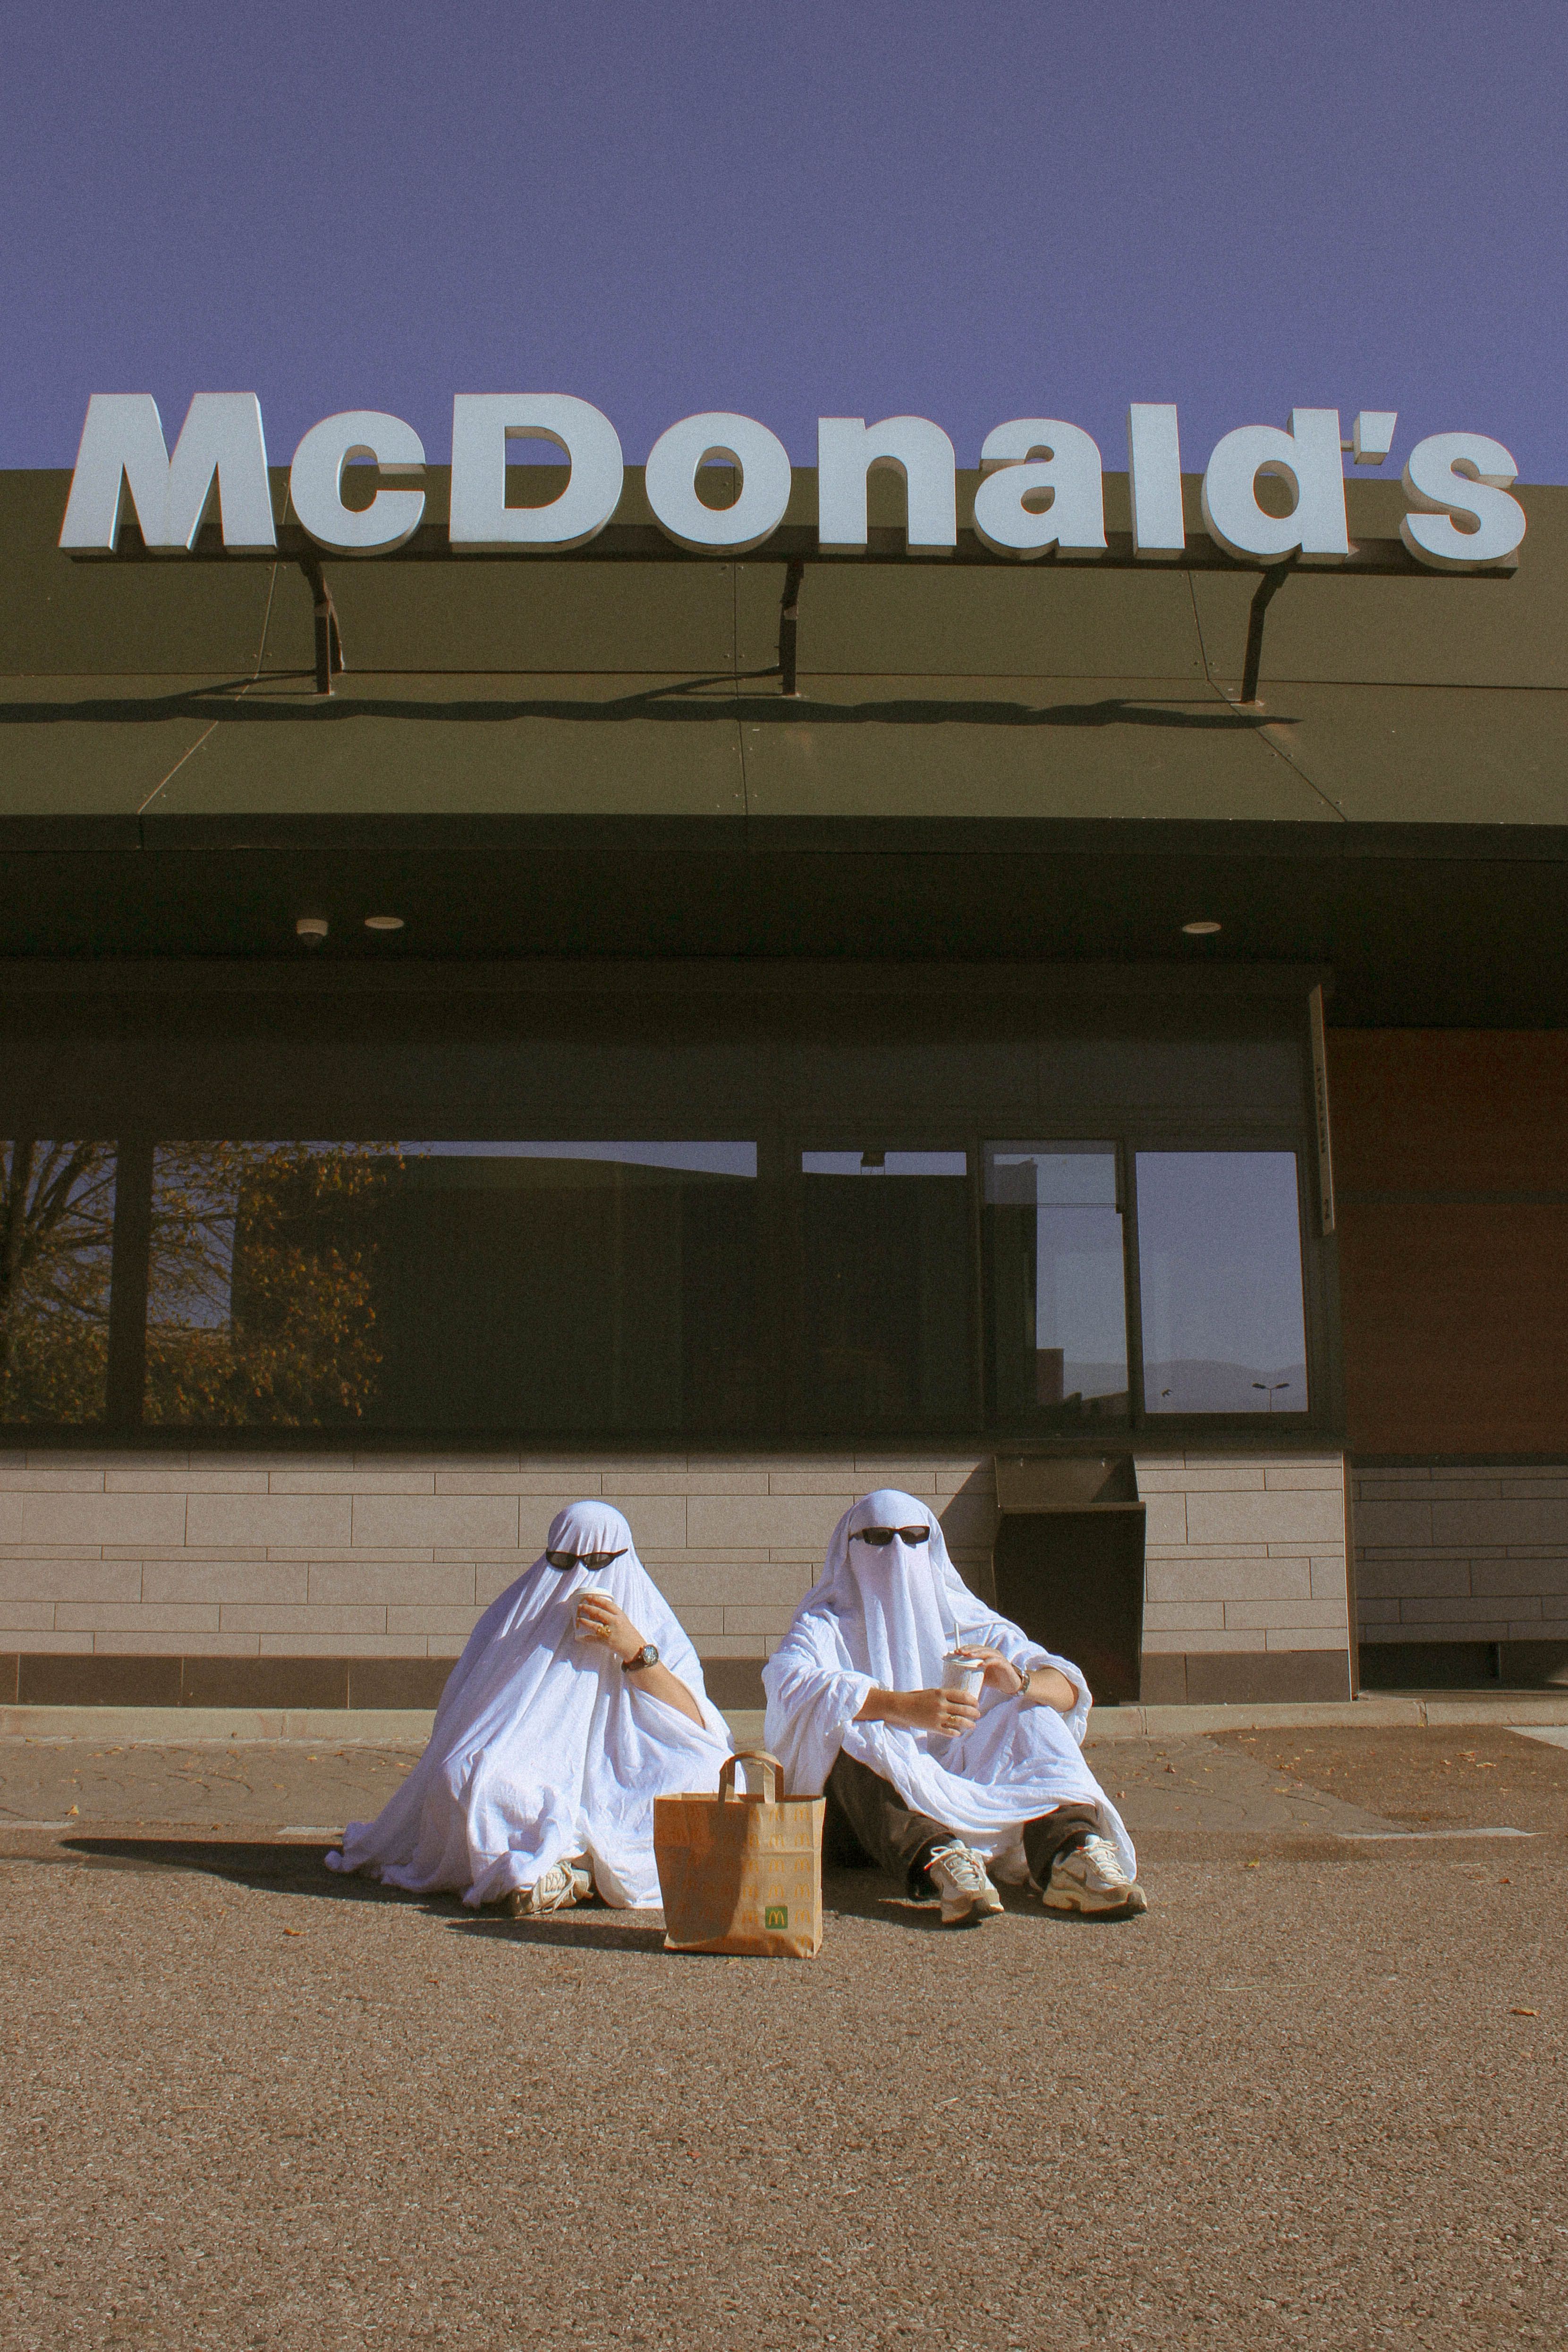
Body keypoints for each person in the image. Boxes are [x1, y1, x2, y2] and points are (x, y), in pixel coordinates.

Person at [327, 1500, 732, 1913]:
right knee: (470, 1779)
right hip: (537, 1760)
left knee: (707, 1774)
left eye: (597, 1562)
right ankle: (574, 1869)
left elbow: (698, 1723)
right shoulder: (515, 1619)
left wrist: (631, 1646)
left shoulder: (653, 1619)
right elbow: (466, 1712)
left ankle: (575, 1869)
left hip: (627, 1764)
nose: (579, 1576)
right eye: (563, 1560)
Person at [763, 1488, 1145, 1924]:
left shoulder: (962, 1619)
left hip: (965, 1778)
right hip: (871, 1817)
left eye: (913, 1537)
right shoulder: (825, 1623)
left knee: (1029, 1711)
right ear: (850, 1546)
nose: (898, 1551)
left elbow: (1067, 1688)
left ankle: (1071, 1852)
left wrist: (1016, 1679)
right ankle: (940, 1859)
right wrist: (901, 1706)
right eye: (878, 1538)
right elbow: (788, 1683)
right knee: (852, 1725)